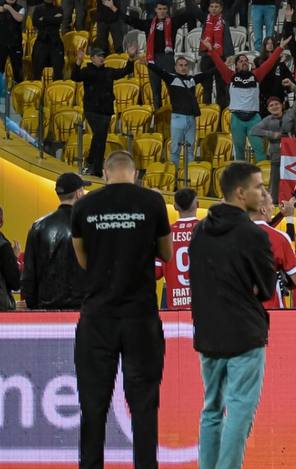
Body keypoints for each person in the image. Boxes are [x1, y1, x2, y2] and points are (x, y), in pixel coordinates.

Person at [70, 151, 172, 469]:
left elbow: (83, 259)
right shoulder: (152, 202)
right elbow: (167, 253)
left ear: (105, 172)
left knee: (93, 404)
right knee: (144, 404)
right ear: (135, 173)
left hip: (97, 316)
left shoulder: (84, 206)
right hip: (141, 315)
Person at [189, 162, 278, 469]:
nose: (263, 192)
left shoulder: (200, 230)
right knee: (239, 411)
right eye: (258, 186)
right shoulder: (252, 235)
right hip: (244, 334)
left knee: (211, 409)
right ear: (241, 193)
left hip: (208, 334)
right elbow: (266, 288)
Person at [21, 172, 88, 310]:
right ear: (79, 193)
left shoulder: (38, 226)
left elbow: (29, 273)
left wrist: (33, 304)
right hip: (82, 307)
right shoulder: (88, 224)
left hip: (46, 307)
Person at [72, 42, 139, 177]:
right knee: (100, 136)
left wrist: (131, 57)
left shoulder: (108, 71)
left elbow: (125, 71)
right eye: (99, 56)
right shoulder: (87, 71)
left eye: (103, 56)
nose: (102, 58)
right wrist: (78, 61)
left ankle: (92, 164)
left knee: (100, 138)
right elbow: (75, 77)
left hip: (106, 111)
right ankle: (94, 166)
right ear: (92, 58)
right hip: (91, 110)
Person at [158, 188, 199, 310]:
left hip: (175, 311)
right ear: (198, 204)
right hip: (204, 309)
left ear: (175, 206)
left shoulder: (165, 235)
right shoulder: (207, 230)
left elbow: (156, 272)